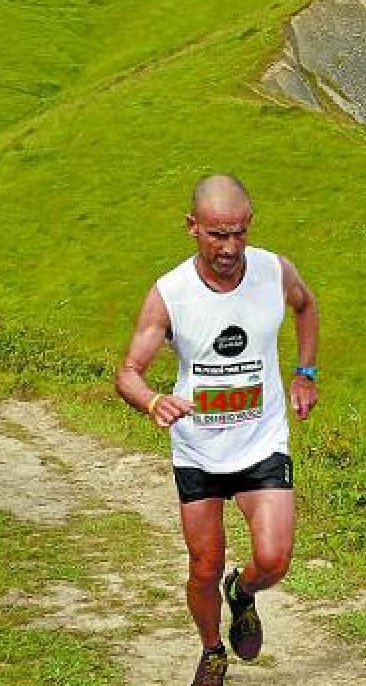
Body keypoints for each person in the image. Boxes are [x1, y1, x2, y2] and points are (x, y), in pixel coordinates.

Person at [114, 174, 319, 686]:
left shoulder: (274, 272)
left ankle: (243, 592)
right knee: (204, 566)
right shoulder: (170, 293)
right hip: (199, 449)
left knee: (273, 559)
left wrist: (305, 372)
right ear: (192, 227)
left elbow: (306, 306)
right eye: (215, 235)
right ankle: (212, 651)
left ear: (249, 226)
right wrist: (152, 400)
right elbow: (128, 373)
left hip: (261, 441)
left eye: (237, 234)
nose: (228, 248)